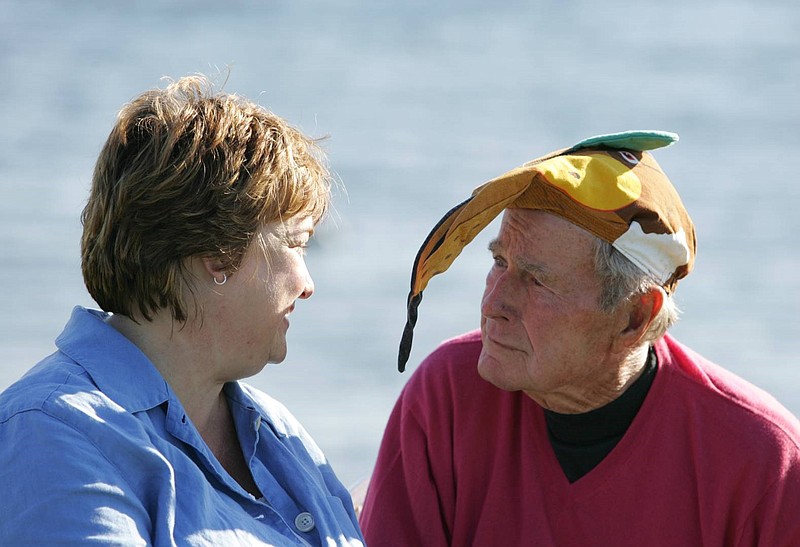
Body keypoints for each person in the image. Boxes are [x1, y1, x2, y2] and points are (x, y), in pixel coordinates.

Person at [360, 130, 800, 546]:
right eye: (499, 262)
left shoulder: (766, 461)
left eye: (536, 281)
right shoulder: (447, 395)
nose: (493, 303)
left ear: (634, 316)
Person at [0, 75, 365, 546]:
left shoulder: (276, 432)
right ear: (218, 250)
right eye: (295, 243)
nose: (307, 284)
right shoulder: (53, 434)